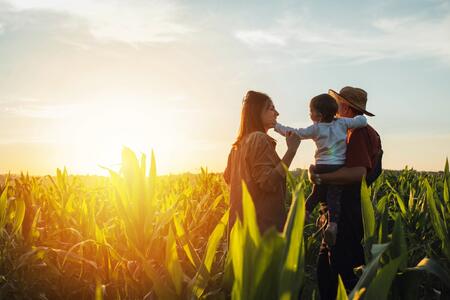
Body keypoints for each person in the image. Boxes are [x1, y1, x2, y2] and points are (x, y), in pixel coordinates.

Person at [309, 86, 383, 300]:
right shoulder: (356, 132)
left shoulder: (359, 133)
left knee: (337, 274)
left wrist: (322, 178)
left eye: (337, 103)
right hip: (343, 212)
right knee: (330, 270)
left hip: (348, 214)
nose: (335, 108)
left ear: (346, 108)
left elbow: (358, 173)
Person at [274, 93, 368, 246]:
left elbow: (294, 132)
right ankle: (333, 224)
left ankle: (304, 212)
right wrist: (358, 118)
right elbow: (362, 121)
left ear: (318, 115)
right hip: (337, 166)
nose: (309, 113)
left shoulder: (316, 129)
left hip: (321, 167)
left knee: (316, 192)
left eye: (310, 111)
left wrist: (276, 126)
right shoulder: (343, 123)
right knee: (334, 197)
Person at [224, 90, 301, 234]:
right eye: (271, 108)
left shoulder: (237, 147)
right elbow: (268, 182)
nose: (277, 113)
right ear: (257, 112)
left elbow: (228, 178)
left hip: (239, 230)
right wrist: (291, 151)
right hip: (261, 231)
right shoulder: (259, 139)